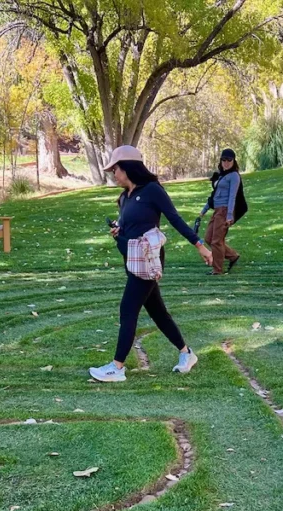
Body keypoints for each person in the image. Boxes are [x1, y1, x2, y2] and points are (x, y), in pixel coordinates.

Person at [88, 145, 214, 383]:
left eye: (115, 169)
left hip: (148, 261)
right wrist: (119, 230)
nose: (113, 174)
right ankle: (187, 354)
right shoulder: (125, 197)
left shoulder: (153, 190)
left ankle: (117, 367)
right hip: (132, 260)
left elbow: (175, 219)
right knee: (157, 311)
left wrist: (200, 245)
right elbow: (130, 226)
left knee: (128, 309)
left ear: (127, 167)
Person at [199, 148, 245, 275]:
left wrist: (229, 215)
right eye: (224, 160)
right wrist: (204, 209)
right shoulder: (221, 175)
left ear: (234, 161)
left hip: (225, 210)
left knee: (216, 241)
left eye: (229, 160)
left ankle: (217, 269)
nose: (226, 162)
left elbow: (232, 197)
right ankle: (232, 256)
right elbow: (214, 195)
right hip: (217, 210)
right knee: (208, 238)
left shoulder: (234, 176)